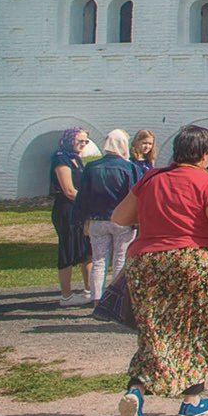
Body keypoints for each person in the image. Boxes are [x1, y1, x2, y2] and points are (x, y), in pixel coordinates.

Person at [110, 125, 208, 416]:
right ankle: (191, 401)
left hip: (146, 262)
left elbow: (119, 218)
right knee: (196, 329)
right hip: (193, 261)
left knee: (154, 329)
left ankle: (136, 391)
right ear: (205, 155)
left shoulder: (150, 179)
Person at [78, 129, 141, 302]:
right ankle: (116, 298)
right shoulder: (130, 168)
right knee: (120, 259)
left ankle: (96, 298)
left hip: (97, 220)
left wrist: (84, 220)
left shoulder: (91, 167)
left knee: (99, 259)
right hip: (122, 221)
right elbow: (134, 196)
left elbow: (83, 196)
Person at [50, 127, 93, 306]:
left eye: (85, 142)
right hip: (67, 209)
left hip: (79, 208)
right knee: (67, 249)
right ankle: (66, 295)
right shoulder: (61, 158)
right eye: (79, 141)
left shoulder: (76, 159)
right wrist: (89, 202)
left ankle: (90, 289)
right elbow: (68, 190)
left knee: (87, 249)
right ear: (69, 140)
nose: (83, 145)